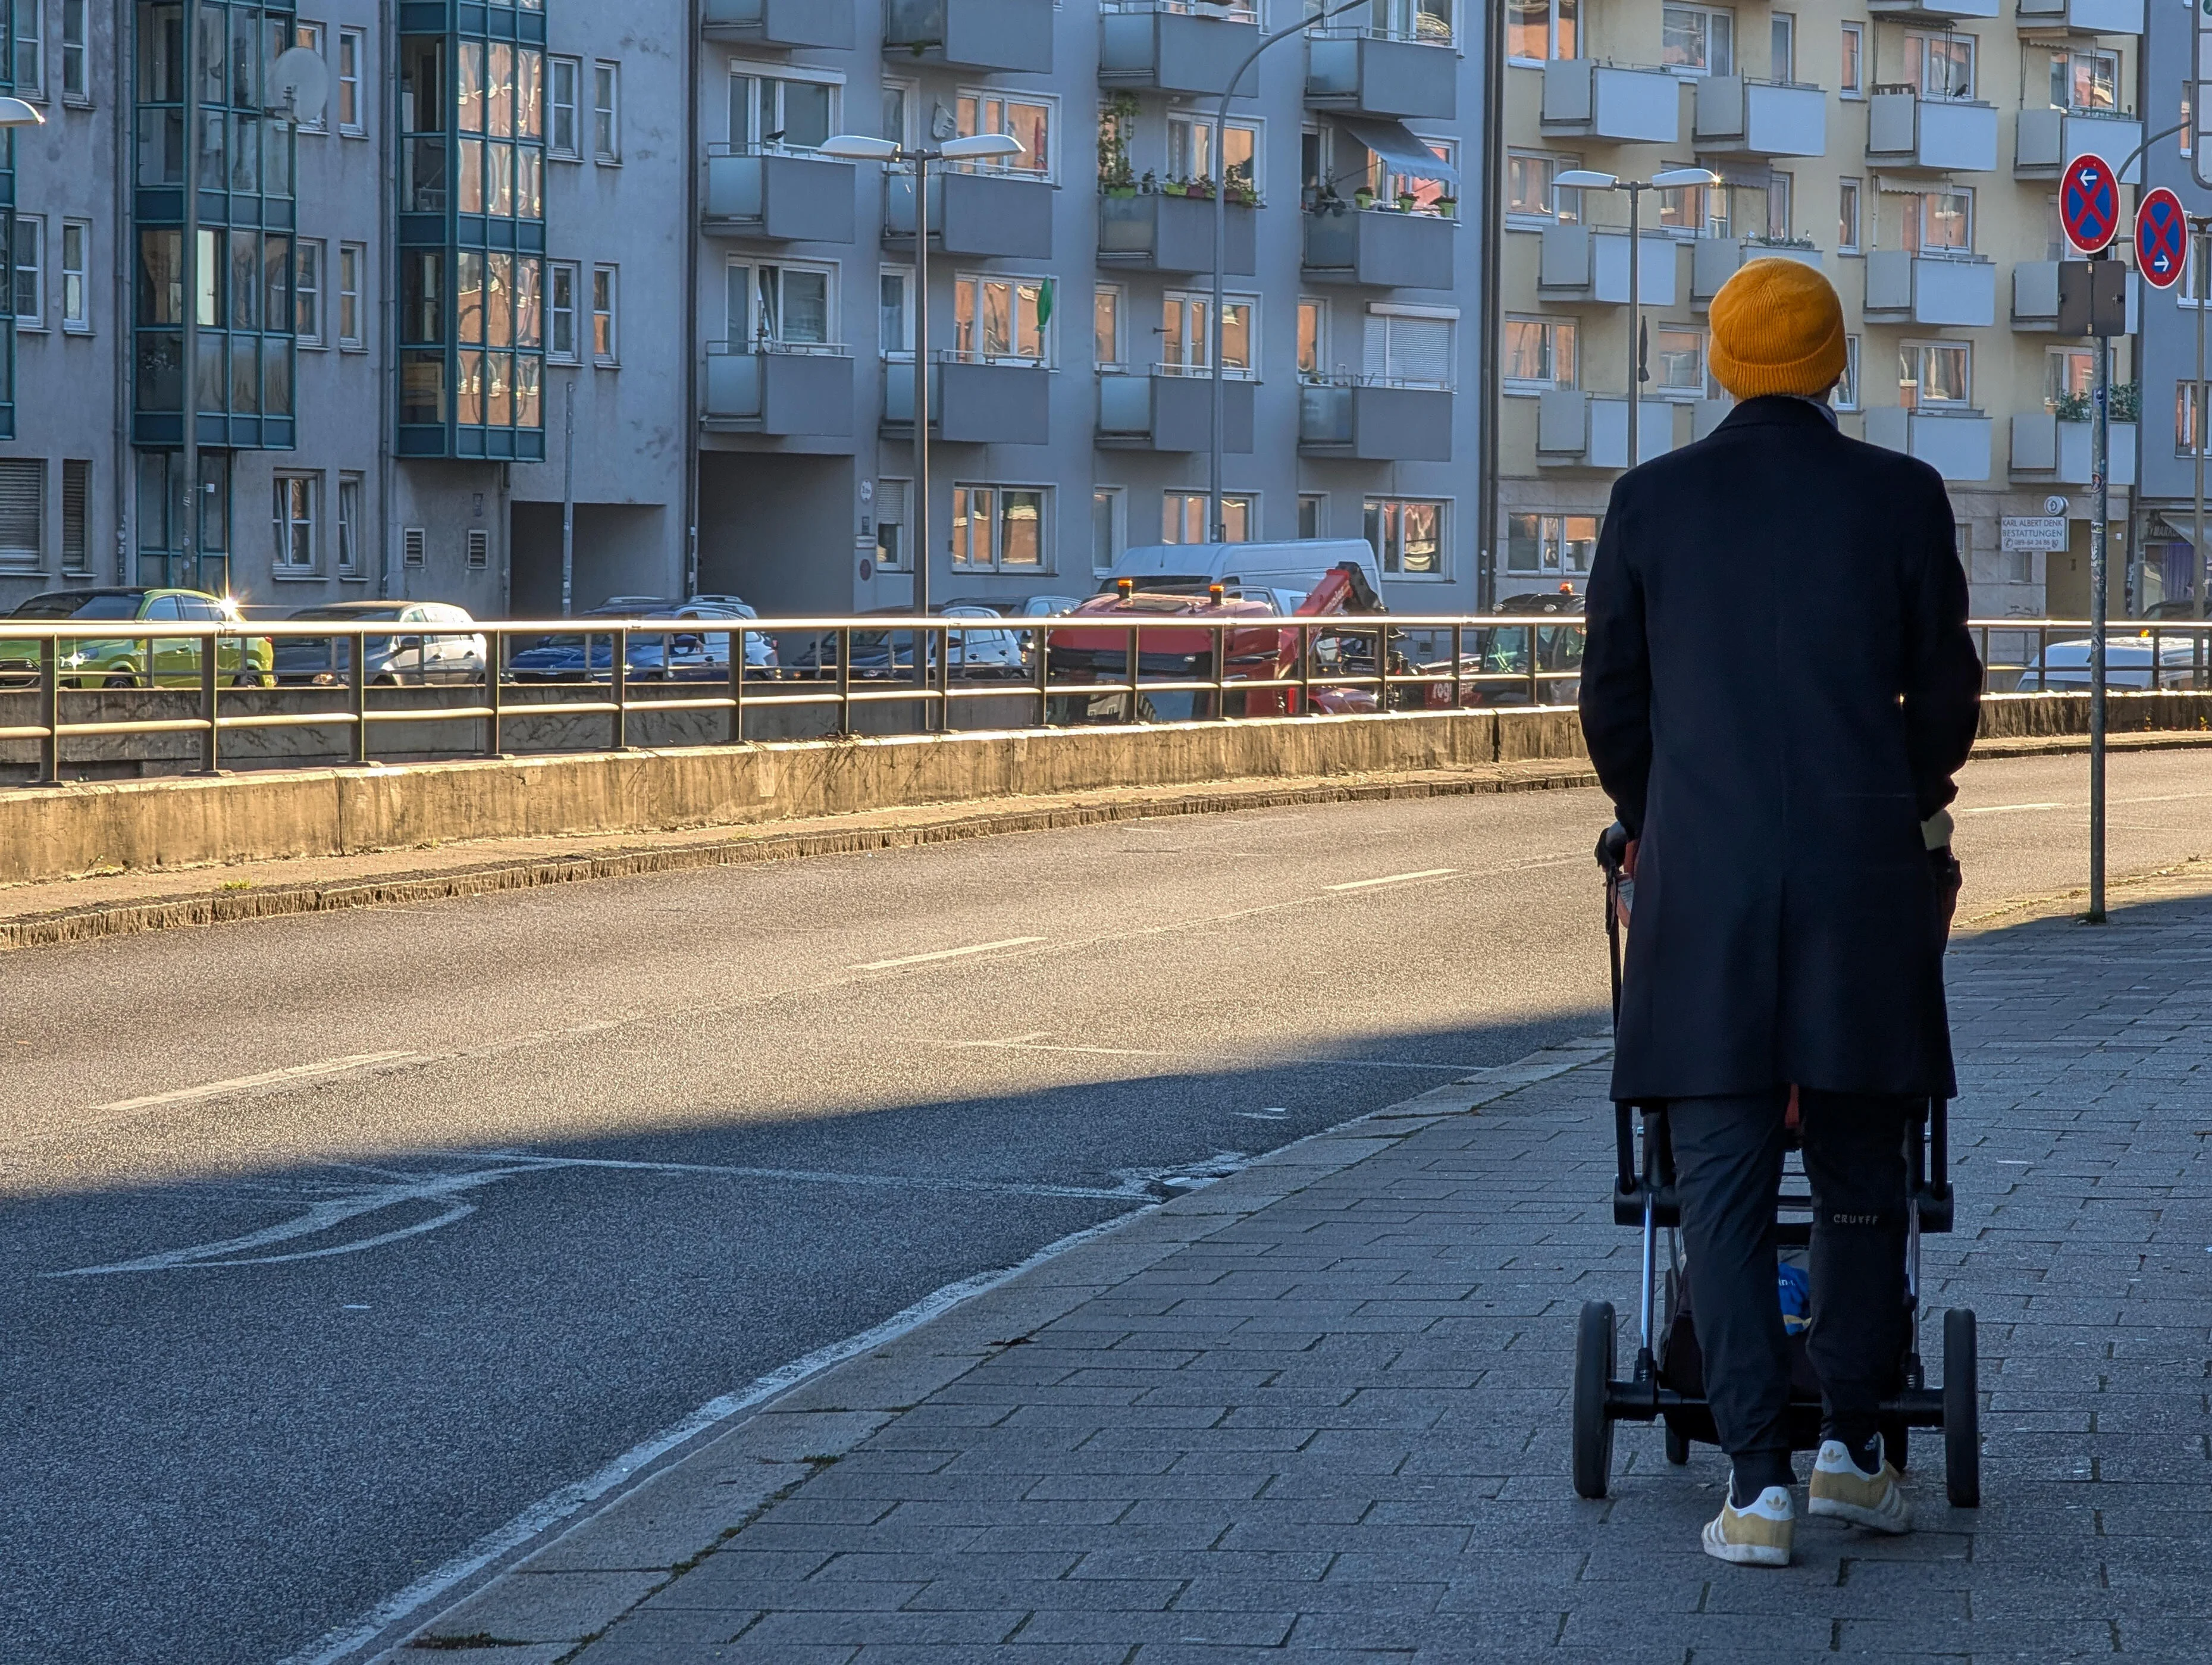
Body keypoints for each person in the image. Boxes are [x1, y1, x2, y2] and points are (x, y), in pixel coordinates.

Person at [1577, 259, 1983, 1568]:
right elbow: (1948, 694)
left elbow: (1610, 707)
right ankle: (1852, 1455)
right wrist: (1895, 797)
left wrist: (1665, 822)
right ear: (1833, 364)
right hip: (1860, 892)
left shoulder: (1648, 505)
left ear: (1719, 362)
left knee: (1722, 1191)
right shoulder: (1899, 498)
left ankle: (1751, 1486)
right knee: (1863, 1174)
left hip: (1700, 901)